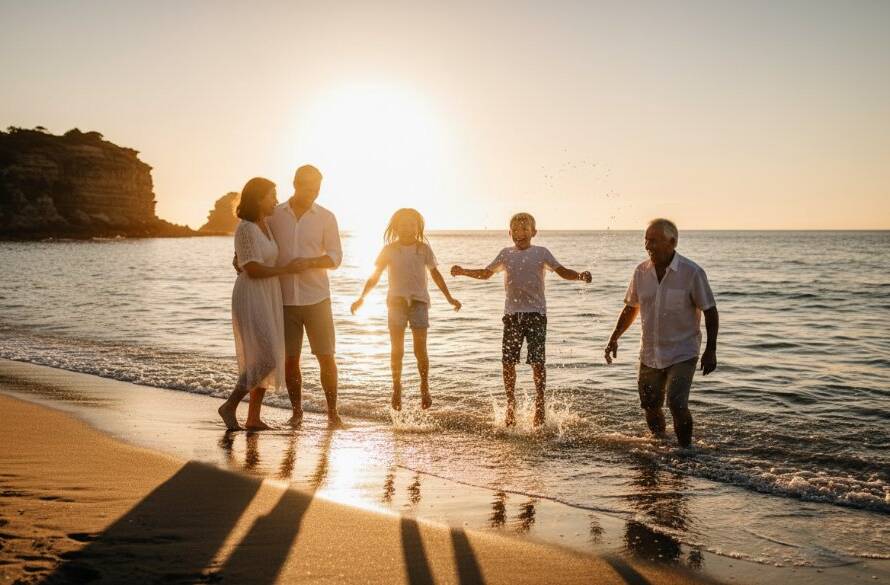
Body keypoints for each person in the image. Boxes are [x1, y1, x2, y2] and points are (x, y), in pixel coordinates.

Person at [451, 212, 591, 427]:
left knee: (537, 362)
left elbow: (561, 271)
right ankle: (510, 405)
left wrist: (579, 275)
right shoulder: (506, 254)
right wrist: (462, 272)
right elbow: (486, 273)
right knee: (508, 362)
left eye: (525, 229)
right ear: (509, 233)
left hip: (536, 315)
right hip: (512, 316)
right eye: (515, 230)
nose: (520, 233)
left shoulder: (541, 252)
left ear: (534, 232)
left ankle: (540, 404)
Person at [604, 218, 719, 448]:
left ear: (672, 242)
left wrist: (711, 350)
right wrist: (614, 338)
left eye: (654, 241)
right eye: (646, 240)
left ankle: (686, 451)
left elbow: (710, 311)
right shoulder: (641, 272)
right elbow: (631, 307)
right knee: (650, 405)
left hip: (683, 351)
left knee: (676, 402)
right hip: (649, 352)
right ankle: (660, 445)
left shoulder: (692, 272)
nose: (648, 246)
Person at [351, 208, 462, 410]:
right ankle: (396, 387)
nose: (407, 228)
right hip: (396, 303)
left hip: (419, 302)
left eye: (411, 224)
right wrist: (362, 298)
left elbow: (435, 274)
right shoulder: (389, 250)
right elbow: (374, 276)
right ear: (396, 227)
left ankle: (424, 387)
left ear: (418, 227)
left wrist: (449, 298)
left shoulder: (423, 249)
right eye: (403, 224)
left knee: (420, 350)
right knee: (397, 350)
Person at [218, 177, 303, 431]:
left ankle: (253, 417)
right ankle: (230, 406)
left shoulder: (265, 224)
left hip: (268, 294)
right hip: (252, 294)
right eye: (272, 195)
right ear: (258, 198)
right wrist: (285, 269)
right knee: (265, 357)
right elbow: (252, 268)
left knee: (265, 355)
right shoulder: (245, 228)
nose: (276, 200)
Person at [268, 165, 344, 428]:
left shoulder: (326, 217)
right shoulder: (274, 215)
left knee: (326, 356)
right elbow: (259, 242)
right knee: (290, 360)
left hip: (317, 299)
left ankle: (333, 414)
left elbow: (336, 257)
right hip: (284, 299)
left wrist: (310, 262)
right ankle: (297, 412)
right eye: (309, 187)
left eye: (317, 188)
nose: (313, 193)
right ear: (296, 184)